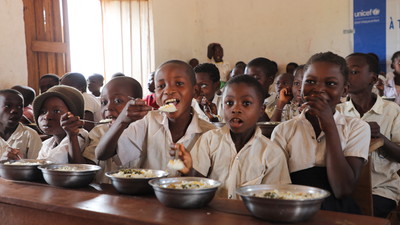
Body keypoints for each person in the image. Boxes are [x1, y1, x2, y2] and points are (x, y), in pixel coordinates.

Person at [271, 52, 370, 214]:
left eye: (330, 83)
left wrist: (330, 127)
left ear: (344, 90)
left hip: (339, 213)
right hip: (294, 209)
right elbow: (279, 188)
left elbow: (343, 189)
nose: (318, 89)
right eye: (310, 81)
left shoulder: (357, 128)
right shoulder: (284, 130)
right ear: (301, 86)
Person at [173, 75, 290, 199]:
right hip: (212, 215)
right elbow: (198, 185)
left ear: (261, 110)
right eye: (229, 103)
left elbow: (275, 197)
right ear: (222, 106)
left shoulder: (272, 153)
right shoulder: (209, 140)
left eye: (246, 103)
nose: (236, 109)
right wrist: (189, 170)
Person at [95, 60, 215, 175]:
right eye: (161, 86)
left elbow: (211, 183)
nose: (168, 90)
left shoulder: (210, 134)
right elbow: (102, 154)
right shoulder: (147, 121)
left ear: (195, 91)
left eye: (179, 83)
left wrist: (188, 170)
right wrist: (122, 121)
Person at [337, 53, 400, 218]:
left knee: (358, 214)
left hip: (381, 189)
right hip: (344, 187)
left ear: (372, 79)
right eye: (345, 72)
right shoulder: (338, 112)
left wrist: (381, 138)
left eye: (354, 72)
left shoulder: (392, 111)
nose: (347, 77)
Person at [83, 77, 143, 183]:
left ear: (138, 103)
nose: (108, 107)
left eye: (118, 101)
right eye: (103, 102)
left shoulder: (146, 129)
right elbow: (87, 167)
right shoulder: (100, 130)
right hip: (105, 192)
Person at [33, 85, 90, 164]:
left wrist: (72, 136)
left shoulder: (79, 137)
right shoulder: (47, 144)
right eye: (43, 111)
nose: (46, 117)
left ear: (74, 117)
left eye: (56, 111)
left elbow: (77, 169)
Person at [0, 89, 42, 160]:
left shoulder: (30, 135)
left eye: (19, 107)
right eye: (7, 106)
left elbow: (36, 167)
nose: (15, 110)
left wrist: (21, 163)